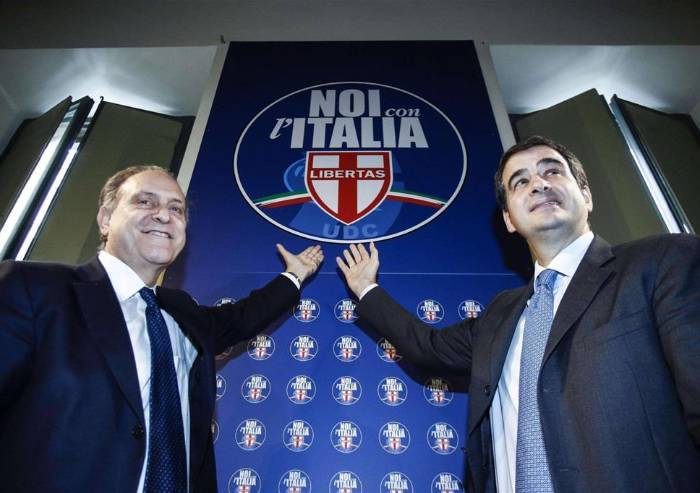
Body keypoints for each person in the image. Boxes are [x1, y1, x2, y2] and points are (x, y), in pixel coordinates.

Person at [336, 136, 700, 493]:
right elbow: (427, 347)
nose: (539, 184)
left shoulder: (663, 262)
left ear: (586, 195)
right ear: (509, 219)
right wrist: (367, 288)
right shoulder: (500, 314)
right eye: (520, 181)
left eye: (552, 171)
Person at [0, 165, 324, 493]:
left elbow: (242, 318)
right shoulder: (33, 289)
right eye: (145, 202)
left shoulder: (183, 312)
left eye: (176, 209)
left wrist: (294, 276)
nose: (163, 215)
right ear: (105, 219)